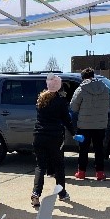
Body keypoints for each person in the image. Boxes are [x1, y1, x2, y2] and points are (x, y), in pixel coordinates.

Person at [31, 73, 76, 207]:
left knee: (40, 166)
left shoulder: (40, 100)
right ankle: (61, 193)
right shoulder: (61, 102)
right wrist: (74, 134)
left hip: (38, 136)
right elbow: (67, 121)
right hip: (55, 137)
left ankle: (36, 194)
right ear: (59, 86)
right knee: (58, 166)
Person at [70, 67, 110, 181]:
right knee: (99, 149)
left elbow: (73, 107)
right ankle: (100, 173)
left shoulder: (81, 89)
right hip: (100, 125)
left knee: (83, 149)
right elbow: (109, 105)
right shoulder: (105, 88)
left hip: (84, 125)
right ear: (94, 76)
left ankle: (81, 172)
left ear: (83, 77)